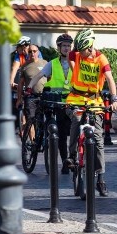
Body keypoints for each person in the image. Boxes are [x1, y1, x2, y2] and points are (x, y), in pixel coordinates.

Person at [64, 28, 117, 196]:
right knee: (76, 119)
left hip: (95, 101)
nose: (79, 54)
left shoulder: (101, 58)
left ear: (90, 47)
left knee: (98, 137)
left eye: (83, 51)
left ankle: (100, 178)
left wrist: (114, 99)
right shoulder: (75, 55)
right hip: (75, 98)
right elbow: (69, 56)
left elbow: (110, 79)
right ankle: (72, 154)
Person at [29, 33, 74, 173]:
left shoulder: (76, 63)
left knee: (72, 132)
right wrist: (30, 87)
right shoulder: (53, 63)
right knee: (59, 133)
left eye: (68, 46)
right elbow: (39, 75)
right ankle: (65, 162)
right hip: (56, 102)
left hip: (72, 102)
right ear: (59, 48)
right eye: (64, 46)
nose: (67, 48)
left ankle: (71, 159)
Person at [15, 44, 47, 139]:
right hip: (31, 96)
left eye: (34, 51)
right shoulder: (25, 66)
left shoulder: (45, 63)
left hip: (44, 96)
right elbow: (20, 84)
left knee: (43, 119)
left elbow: (51, 79)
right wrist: (19, 99)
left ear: (38, 52)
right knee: (30, 119)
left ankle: (43, 139)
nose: (32, 53)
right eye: (30, 51)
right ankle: (33, 142)